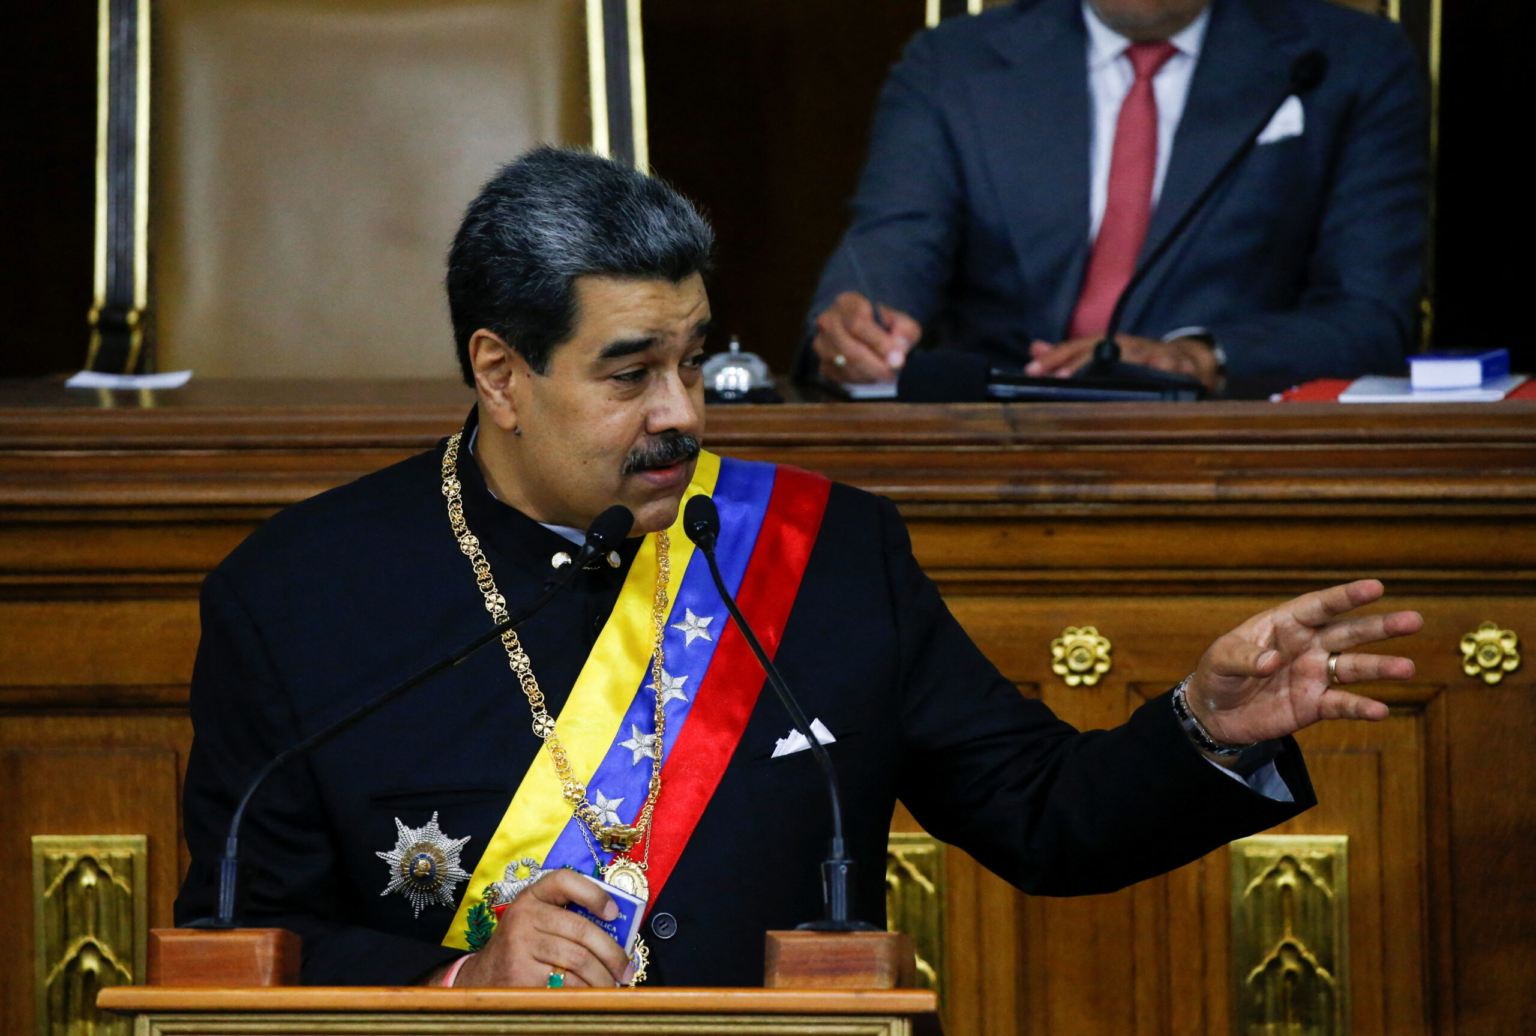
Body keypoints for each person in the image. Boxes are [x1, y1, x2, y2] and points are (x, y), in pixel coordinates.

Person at [175, 147, 1422, 988]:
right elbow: (241, 940)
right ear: (501, 373)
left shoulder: (822, 552)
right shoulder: (297, 595)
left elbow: (1048, 819)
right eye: (629, 372)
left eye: (694, 359)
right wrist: (459, 981)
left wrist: (1207, 724)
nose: (684, 412)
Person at [800, 0, 1427, 391]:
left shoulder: (1352, 61)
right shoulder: (952, 63)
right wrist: (860, 325)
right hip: (997, 437)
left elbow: (1371, 314)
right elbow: (894, 242)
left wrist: (1199, 358)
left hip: (1235, 445)